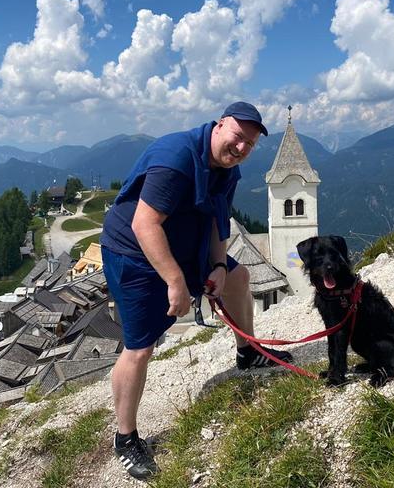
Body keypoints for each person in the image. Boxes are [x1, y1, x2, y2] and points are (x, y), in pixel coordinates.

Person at [100, 101, 293, 479]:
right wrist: (175, 282)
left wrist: (219, 266)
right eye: (238, 137)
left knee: (239, 279)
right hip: (134, 253)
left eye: (249, 145)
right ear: (220, 126)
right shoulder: (176, 159)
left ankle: (248, 354)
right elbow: (144, 225)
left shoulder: (226, 170)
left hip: (184, 245)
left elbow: (217, 222)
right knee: (140, 347)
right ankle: (125, 438)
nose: (241, 149)